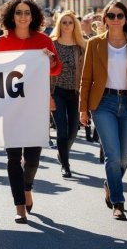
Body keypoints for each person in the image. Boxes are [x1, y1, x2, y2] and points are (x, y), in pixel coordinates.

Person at [79, 1, 127, 221]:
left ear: (125, 19)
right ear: (104, 19)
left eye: (119, 16)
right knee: (112, 155)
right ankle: (118, 202)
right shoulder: (94, 44)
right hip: (104, 103)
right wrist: (83, 109)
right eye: (111, 16)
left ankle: (110, 185)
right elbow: (86, 80)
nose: (115, 20)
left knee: (124, 157)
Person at [0, 0, 61, 224]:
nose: (23, 16)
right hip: (9, 108)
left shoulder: (43, 40)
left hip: (35, 107)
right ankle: (19, 205)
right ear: (11, 16)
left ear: (33, 17)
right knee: (13, 158)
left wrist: (50, 61)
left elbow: (55, 69)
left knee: (31, 159)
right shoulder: (1, 43)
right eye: (19, 12)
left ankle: (27, 186)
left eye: (27, 13)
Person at [50, 10, 86, 178]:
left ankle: (62, 151)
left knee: (73, 130)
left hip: (74, 91)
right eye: (63, 22)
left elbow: (87, 70)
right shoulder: (52, 44)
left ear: (74, 25)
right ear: (59, 25)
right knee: (62, 130)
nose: (66, 25)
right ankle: (65, 164)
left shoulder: (81, 46)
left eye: (69, 22)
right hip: (57, 91)